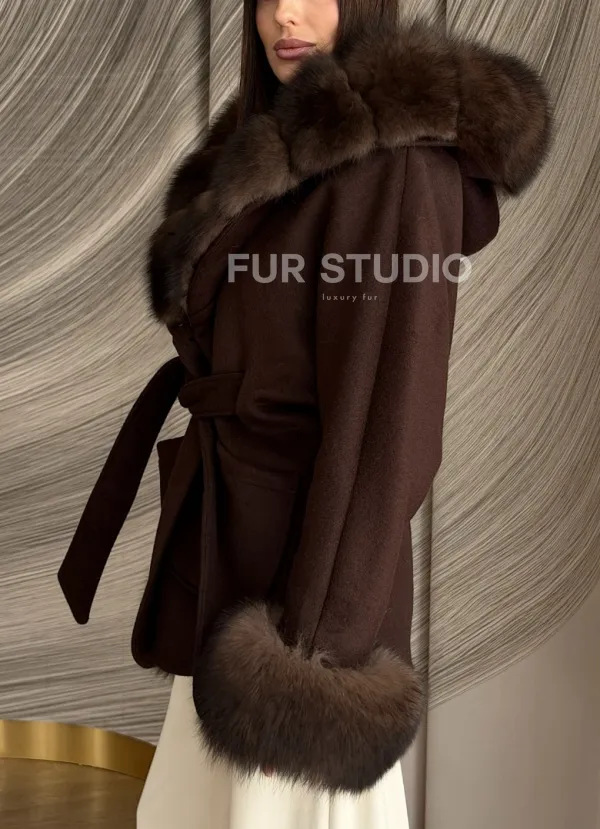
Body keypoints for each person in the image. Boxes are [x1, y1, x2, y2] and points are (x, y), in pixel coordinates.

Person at [57, 0, 553, 825]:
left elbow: (388, 430)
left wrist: (313, 655)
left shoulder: (397, 171)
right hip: (230, 559)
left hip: (302, 603)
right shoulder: (267, 150)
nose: (285, 13)